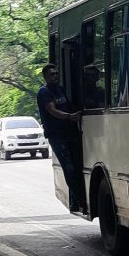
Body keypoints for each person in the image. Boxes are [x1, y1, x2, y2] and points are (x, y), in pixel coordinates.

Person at [36, 63, 84, 213]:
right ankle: (80, 200)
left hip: (69, 133)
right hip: (56, 136)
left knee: (77, 166)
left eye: (56, 74)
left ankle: (75, 201)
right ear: (45, 76)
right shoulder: (44, 92)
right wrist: (70, 117)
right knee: (68, 168)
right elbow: (52, 111)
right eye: (52, 74)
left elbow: (68, 106)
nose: (55, 76)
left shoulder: (60, 90)